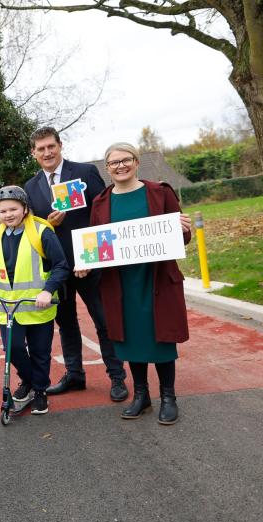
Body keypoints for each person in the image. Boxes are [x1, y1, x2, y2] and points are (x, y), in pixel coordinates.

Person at [77, 143, 192, 424]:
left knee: (161, 337)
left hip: (156, 279)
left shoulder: (160, 192)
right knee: (129, 339)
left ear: (137, 162)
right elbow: (97, 245)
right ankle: (141, 396)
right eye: (114, 162)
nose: (120, 166)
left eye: (125, 160)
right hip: (120, 282)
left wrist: (183, 229)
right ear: (107, 169)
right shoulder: (101, 203)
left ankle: (168, 397)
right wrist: (86, 262)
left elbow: (180, 240)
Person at [24, 126, 128, 401]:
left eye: (51, 146)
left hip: (90, 263)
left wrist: (90, 258)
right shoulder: (31, 187)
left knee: (104, 321)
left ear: (60, 146)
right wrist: (48, 222)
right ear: (33, 153)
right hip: (57, 269)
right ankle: (74, 375)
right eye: (41, 148)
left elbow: (103, 212)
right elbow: (34, 230)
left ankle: (117, 377)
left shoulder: (84, 172)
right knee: (66, 323)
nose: (47, 152)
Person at [0, 186, 69, 414]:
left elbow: (61, 265)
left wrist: (48, 290)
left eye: (13, 209)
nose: (8, 214)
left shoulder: (42, 230)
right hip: (8, 307)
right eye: (3, 211)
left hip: (38, 304)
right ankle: (31, 380)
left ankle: (40, 391)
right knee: (12, 349)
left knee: (39, 351)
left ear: (25, 209)